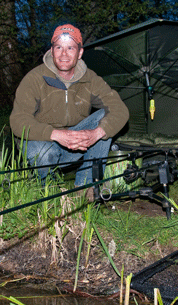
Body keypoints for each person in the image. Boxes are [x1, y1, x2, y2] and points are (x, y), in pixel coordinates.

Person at [10, 24, 129, 188]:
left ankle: (87, 188)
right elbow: (18, 120)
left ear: (79, 53)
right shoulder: (34, 78)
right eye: (58, 47)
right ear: (52, 51)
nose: (64, 54)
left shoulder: (90, 79)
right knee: (43, 153)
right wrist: (56, 134)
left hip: (75, 144)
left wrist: (96, 133)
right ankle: (47, 189)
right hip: (42, 142)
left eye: (70, 48)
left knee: (105, 118)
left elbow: (120, 110)